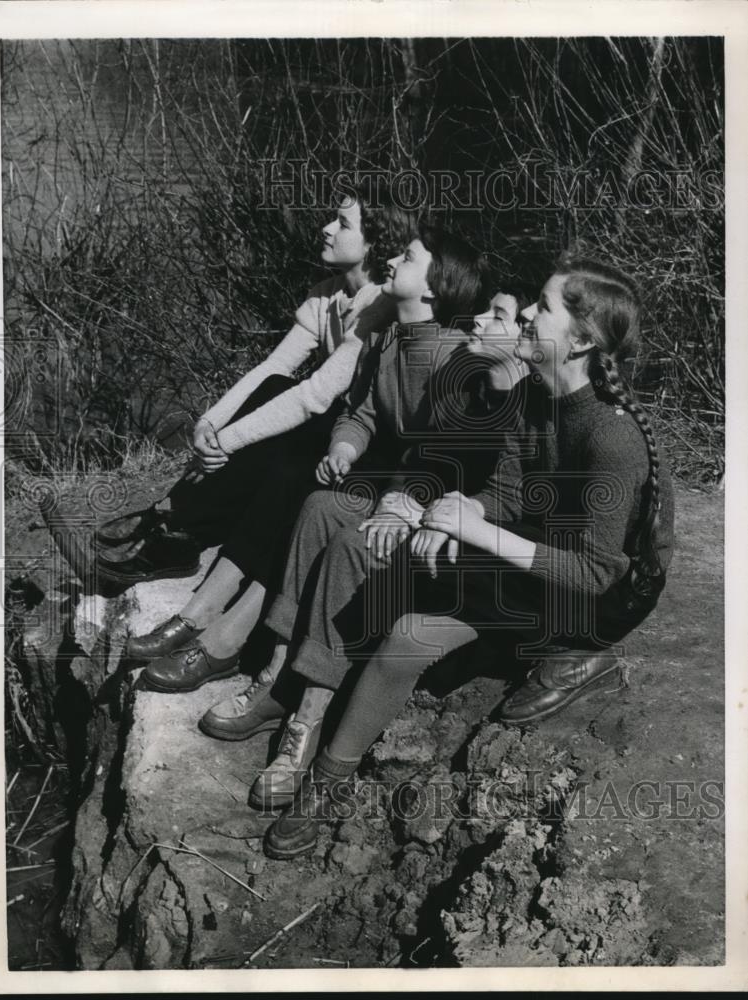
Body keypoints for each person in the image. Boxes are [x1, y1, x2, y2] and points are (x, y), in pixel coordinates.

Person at [259, 255, 675, 860]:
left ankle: (582, 656)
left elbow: (595, 572)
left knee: (407, 634)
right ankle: (325, 781)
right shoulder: (536, 394)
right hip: (537, 556)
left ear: (581, 340)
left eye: (544, 307)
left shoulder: (611, 436)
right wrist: (462, 508)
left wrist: (475, 534)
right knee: (389, 567)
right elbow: (507, 491)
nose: (528, 313)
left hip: (596, 601)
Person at [197, 224, 505, 811]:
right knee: (317, 509)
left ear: (436, 288)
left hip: (436, 503)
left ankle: (305, 724)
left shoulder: (452, 361)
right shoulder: (389, 340)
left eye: (408, 256)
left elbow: (451, 459)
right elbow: (360, 414)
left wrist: (398, 504)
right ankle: (275, 681)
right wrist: (344, 446)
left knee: (351, 546)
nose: (391, 258)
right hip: (388, 484)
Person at [114, 186, 410, 694]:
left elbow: (319, 394)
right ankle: (179, 524)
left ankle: (198, 590)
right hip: (335, 430)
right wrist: (210, 423)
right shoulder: (328, 293)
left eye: (342, 223)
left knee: (291, 462)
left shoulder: (380, 304)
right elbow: (276, 368)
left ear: (377, 242)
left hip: (370, 447)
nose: (326, 229)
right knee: (275, 392)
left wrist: (228, 441)